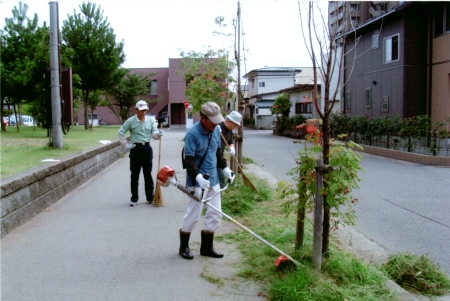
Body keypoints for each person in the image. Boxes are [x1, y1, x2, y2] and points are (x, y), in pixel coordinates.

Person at [179, 101, 235, 260]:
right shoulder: (192, 134)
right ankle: (183, 247)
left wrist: (225, 169)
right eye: (213, 119)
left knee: (216, 214)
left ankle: (207, 247)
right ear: (203, 118)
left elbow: (217, 153)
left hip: (214, 179)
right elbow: (188, 159)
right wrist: (197, 176)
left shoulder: (217, 129)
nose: (217, 123)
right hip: (197, 181)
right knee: (193, 215)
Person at [118, 100, 164, 207]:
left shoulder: (151, 121)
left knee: (147, 174)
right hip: (135, 149)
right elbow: (120, 133)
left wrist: (159, 134)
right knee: (135, 174)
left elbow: (154, 135)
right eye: (141, 110)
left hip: (147, 148)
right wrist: (126, 144)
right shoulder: (130, 121)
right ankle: (134, 198)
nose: (143, 113)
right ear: (136, 110)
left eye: (145, 110)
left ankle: (149, 197)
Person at [217, 111, 242, 188]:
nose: (235, 127)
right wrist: (224, 166)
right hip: (215, 158)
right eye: (235, 125)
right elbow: (217, 150)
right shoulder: (218, 128)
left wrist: (232, 147)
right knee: (221, 177)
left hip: (219, 158)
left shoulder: (229, 130)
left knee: (220, 178)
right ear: (231, 122)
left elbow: (230, 141)